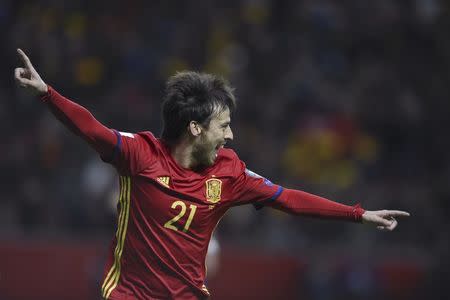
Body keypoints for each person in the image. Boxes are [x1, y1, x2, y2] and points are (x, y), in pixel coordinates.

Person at [14, 48, 409, 300]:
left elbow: (288, 198)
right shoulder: (140, 155)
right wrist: (47, 93)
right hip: (128, 295)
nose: (231, 134)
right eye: (224, 125)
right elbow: (93, 129)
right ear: (196, 128)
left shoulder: (230, 172)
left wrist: (358, 214)